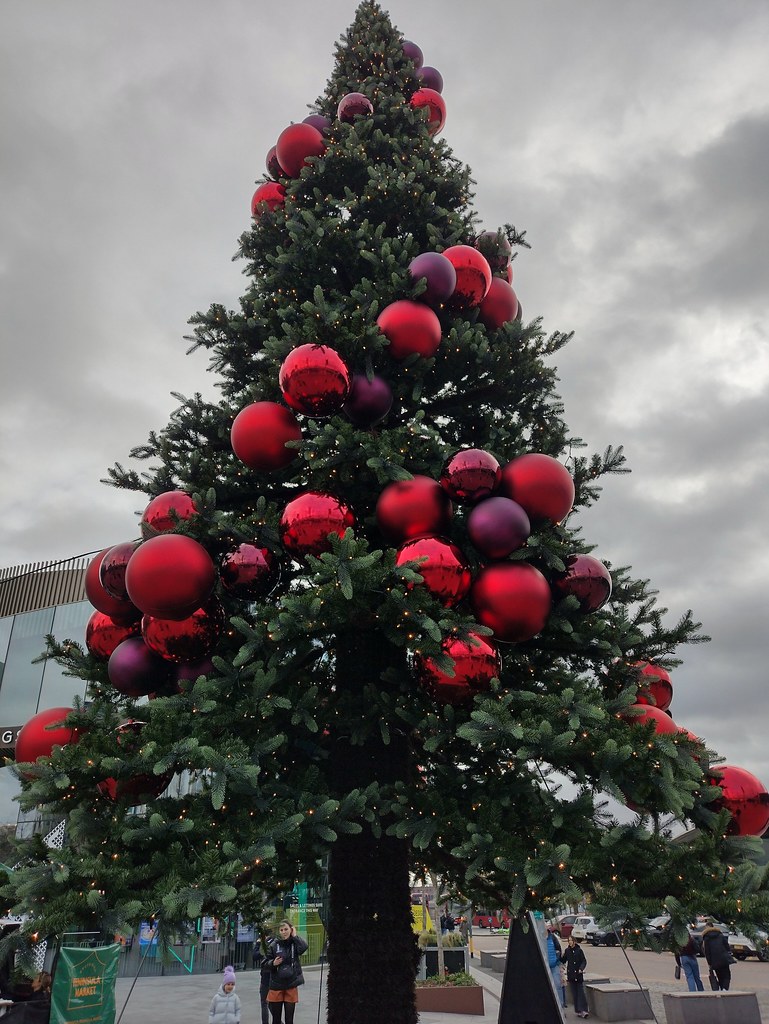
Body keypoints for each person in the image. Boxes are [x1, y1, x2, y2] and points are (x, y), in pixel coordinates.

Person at [267, 919, 308, 1024]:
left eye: (286, 929)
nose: (284, 932)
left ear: (291, 929)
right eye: (281, 930)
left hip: (291, 984)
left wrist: (295, 936)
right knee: (276, 1020)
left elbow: (304, 947)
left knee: (289, 1020)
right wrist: (273, 963)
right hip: (276, 985)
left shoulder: (295, 943)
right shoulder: (273, 945)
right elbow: (264, 963)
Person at [562, 935, 589, 1018]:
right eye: (568, 940)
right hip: (571, 975)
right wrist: (559, 955)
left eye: (571, 940)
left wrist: (581, 968)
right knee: (575, 993)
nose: (570, 942)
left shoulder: (579, 950)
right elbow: (563, 960)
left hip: (578, 975)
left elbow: (584, 961)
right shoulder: (567, 951)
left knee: (581, 993)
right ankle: (578, 1010)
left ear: (574, 941)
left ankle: (584, 1010)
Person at [702, 923, 732, 990]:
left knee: (719, 975)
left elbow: (707, 952)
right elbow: (727, 946)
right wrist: (729, 954)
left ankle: (722, 988)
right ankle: (724, 988)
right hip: (724, 958)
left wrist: (709, 963)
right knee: (727, 975)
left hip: (714, 960)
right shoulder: (720, 935)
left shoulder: (706, 938)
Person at [546, 926, 566, 1010]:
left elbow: (558, 949)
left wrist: (556, 959)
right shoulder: (539, 938)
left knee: (558, 985)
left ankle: (561, 1007)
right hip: (545, 967)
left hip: (554, 965)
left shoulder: (553, 937)